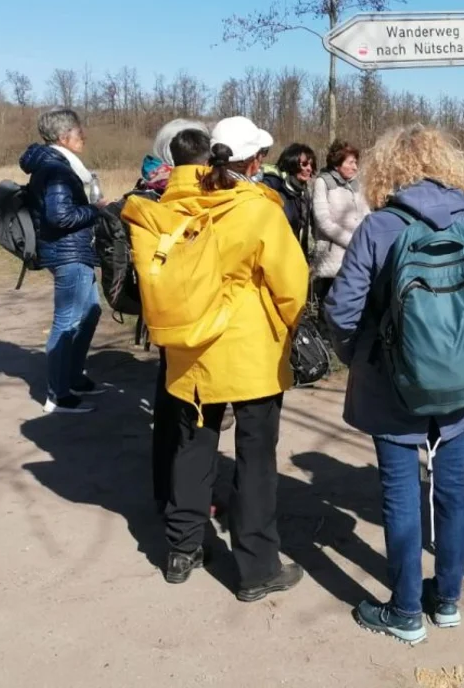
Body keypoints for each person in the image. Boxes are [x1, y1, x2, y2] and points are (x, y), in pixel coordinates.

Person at [324, 125, 464, 645]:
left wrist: (361, 359)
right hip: (462, 385)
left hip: (391, 384)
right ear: (449, 166)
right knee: (452, 488)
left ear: (389, 170)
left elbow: (342, 310)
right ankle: (447, 601)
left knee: (400, 494)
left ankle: (405, 610)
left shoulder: (379, 226)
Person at [125, 116, 308, 601]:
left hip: (189, 350)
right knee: (255, 459)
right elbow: (292, 285)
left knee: (192, 448)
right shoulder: (257, 209)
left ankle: (182, 550)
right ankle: (256, 568)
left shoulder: (169, 203)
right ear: (252, 160)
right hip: (251, 353)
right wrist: (291, 327)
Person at [19, 109, 107, 415]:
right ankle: (57, 395)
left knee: (92, 311)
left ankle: (72, 377)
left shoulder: (59, 166)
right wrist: (96, 211)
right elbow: (59, 216)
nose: (83, 137)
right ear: (63, 137)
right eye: (78, 133)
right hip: (67, 253)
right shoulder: (57, 170)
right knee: (67, 320)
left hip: (73, 251)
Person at [149, 125, 211, 514]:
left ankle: (164, 494)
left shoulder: (151, 195)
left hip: (167, 319)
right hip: (204, 323)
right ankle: (191, 507)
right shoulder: (213, 199)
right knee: (197, 424)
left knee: (168, 410)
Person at [311, 140, 370, 304]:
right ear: (337, 163)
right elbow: (323, 221)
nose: (355, 167)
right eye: (351, 162)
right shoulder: (322, 182)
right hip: (333, 257)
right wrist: (350, 240)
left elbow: (366, 214)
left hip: (357, 254)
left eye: (356, 163)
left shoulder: (357, 184)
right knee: (330, 304)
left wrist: (366, 238)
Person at [262, 142, 317, 250]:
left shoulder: (304, 193)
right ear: (291, 163)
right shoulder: (275, 191)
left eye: (312, 165)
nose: (309, 169)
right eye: (304, 164)